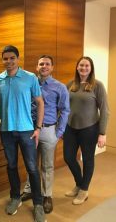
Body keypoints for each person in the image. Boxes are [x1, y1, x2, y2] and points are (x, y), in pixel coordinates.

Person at [0, 45, 46, 222]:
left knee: (32, 167)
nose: (9, 61)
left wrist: (38, 128)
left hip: (27, 131)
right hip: (7, 131)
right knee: (11, 166)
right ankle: (15, 198)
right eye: (5, 58)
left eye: (12, 58)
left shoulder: (30, 77)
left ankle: (38, 204)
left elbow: (40, 103)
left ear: (18, 59)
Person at [21, 55, 70, 214]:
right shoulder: (29, 84)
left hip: (49, 131)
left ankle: (47, 195)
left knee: (47, 166)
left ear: (52, 67)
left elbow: (65, 110)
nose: (44, 66)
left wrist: (59, 132)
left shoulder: (59, 87)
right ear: (36, 67)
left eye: (47, 64)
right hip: (30, 130)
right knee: (30, 163)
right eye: (41, 64)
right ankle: (29, 189)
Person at [63, 56, 109, 205]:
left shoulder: (97, 86)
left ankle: (84, 190)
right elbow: (62, 107)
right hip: (70, 128)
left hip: (89, 129)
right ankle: (79, 184)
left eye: (87, 66)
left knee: (88, 159)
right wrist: (61, 127)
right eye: (81, 65)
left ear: (91, 68)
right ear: (77, 67)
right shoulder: (70, 84)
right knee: (69, 157)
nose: (84, 68)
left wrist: (102, 133)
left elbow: (105, 110)